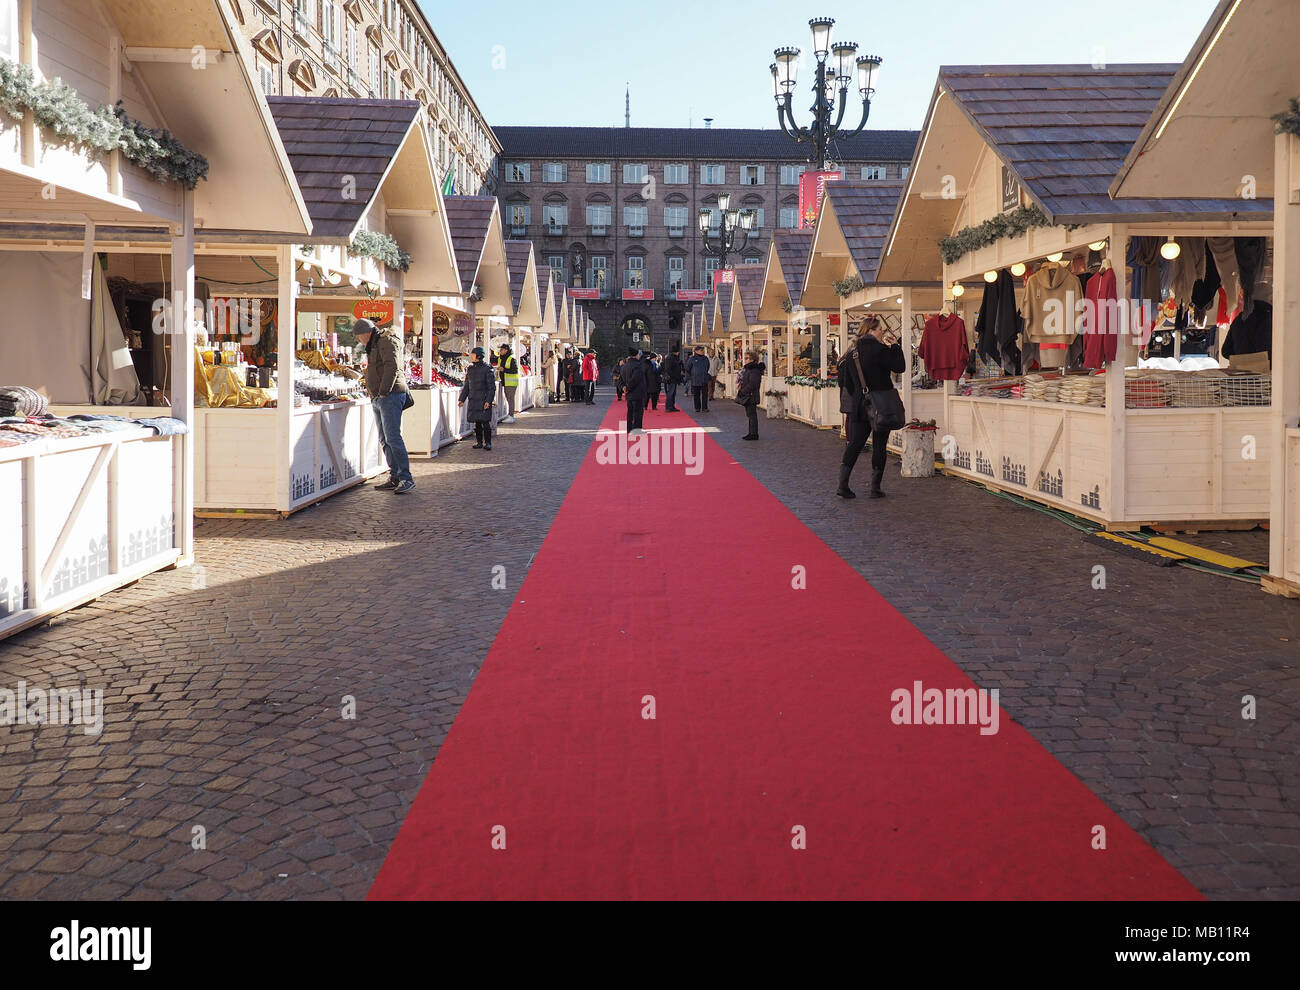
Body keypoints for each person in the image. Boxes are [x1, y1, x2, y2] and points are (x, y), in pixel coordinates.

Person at [838, 323, 906, 499]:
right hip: (881, 405)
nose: (882, 331)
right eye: (879, 329)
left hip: (861, 405)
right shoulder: (881, 350)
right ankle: (875, 488)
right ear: (871, 330)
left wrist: (861, 396)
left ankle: (843, 484)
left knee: (855, 444)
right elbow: (900, 367)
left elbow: (847, 384)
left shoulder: (852, 353)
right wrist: (896, 347)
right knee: (879, 445)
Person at [356, 318, 415, 494]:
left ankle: (406, 478)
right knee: (385, 439)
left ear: (366, 333)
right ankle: (395, 475)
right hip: (380, 397)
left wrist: (383, 391)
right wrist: (375, 394)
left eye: (359, 336)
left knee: (393, 437)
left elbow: (392, 367)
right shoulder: (375, 344)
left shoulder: (385, 341)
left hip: (390, 396)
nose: (359, 340)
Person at [459, 346, 496, 451]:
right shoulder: (470, 369)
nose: (471, 356)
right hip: (474, 398)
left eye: (473, 354)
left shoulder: (487, 368)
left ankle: (488, 443)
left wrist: (488, 400)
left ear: (479, 356)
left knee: (485, 421)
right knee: (477, 422)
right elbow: (467, 385)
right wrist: (462, 399)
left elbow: (491, 387)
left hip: (483, 399)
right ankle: (479, 442)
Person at [735, 349, 765, 441]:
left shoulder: (754, 370)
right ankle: (751, 432)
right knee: (750, 415)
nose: (746, 360)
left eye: (747, 358)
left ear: (752, 359)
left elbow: (753, 384)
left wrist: (743, 391)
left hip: (751, 395)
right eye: (745, 358)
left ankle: (754, 434)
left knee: (752, 415)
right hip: (748, 394)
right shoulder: (748, 369)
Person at [622, 347, 647, 432]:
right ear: (636, 355)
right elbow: (635, 379)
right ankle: (636, 430)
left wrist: (624, 388)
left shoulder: (625, 366)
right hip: (637, 392)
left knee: (630, 412)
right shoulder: (638, 365)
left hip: (629, 394)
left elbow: (621, 379)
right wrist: (628, 388)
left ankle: (629, 429)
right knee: (638, 413)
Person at [497, 343, 519, 423]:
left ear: (506, 350)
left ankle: (511, 416)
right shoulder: (500, 359)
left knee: (510, 399)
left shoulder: (511, 359)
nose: (500, 351)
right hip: (505, 382)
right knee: (508, 398)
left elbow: (515, 370)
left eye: (502, 350)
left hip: (511, 383)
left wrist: (504, 370)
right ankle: (509, 414)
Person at [686, 345, 711, 412]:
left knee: (705, 394)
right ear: (696, 351)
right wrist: (693, 374)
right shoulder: (692, 359)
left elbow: (708, 367)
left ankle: (704, 407)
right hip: (695, 379)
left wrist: (704, 373)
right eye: (701, 350)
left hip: (704, 379)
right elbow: (688, 368)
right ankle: (697, 407)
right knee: (696, 395)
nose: (702, 351)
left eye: (703, 350)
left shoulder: (705, 358)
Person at [661, 341, 684, 412]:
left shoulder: (671, 357)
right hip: (671, 379)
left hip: (672, 378)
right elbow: (669, 369)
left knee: (672, 393)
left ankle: (671, 406)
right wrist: (675, 375)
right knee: (670, 393)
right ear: (676, 352)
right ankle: (669, 407)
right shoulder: (671, 358)